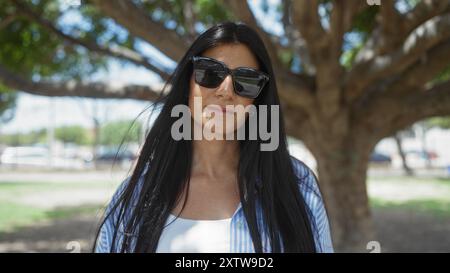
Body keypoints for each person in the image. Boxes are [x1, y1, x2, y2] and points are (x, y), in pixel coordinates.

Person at [94, 21, 333, 253]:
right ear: (187, 84)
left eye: (247, 80)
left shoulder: (298, 186)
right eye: (210, 72)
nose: (226, 90)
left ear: (257, 100)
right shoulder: (138, 194)